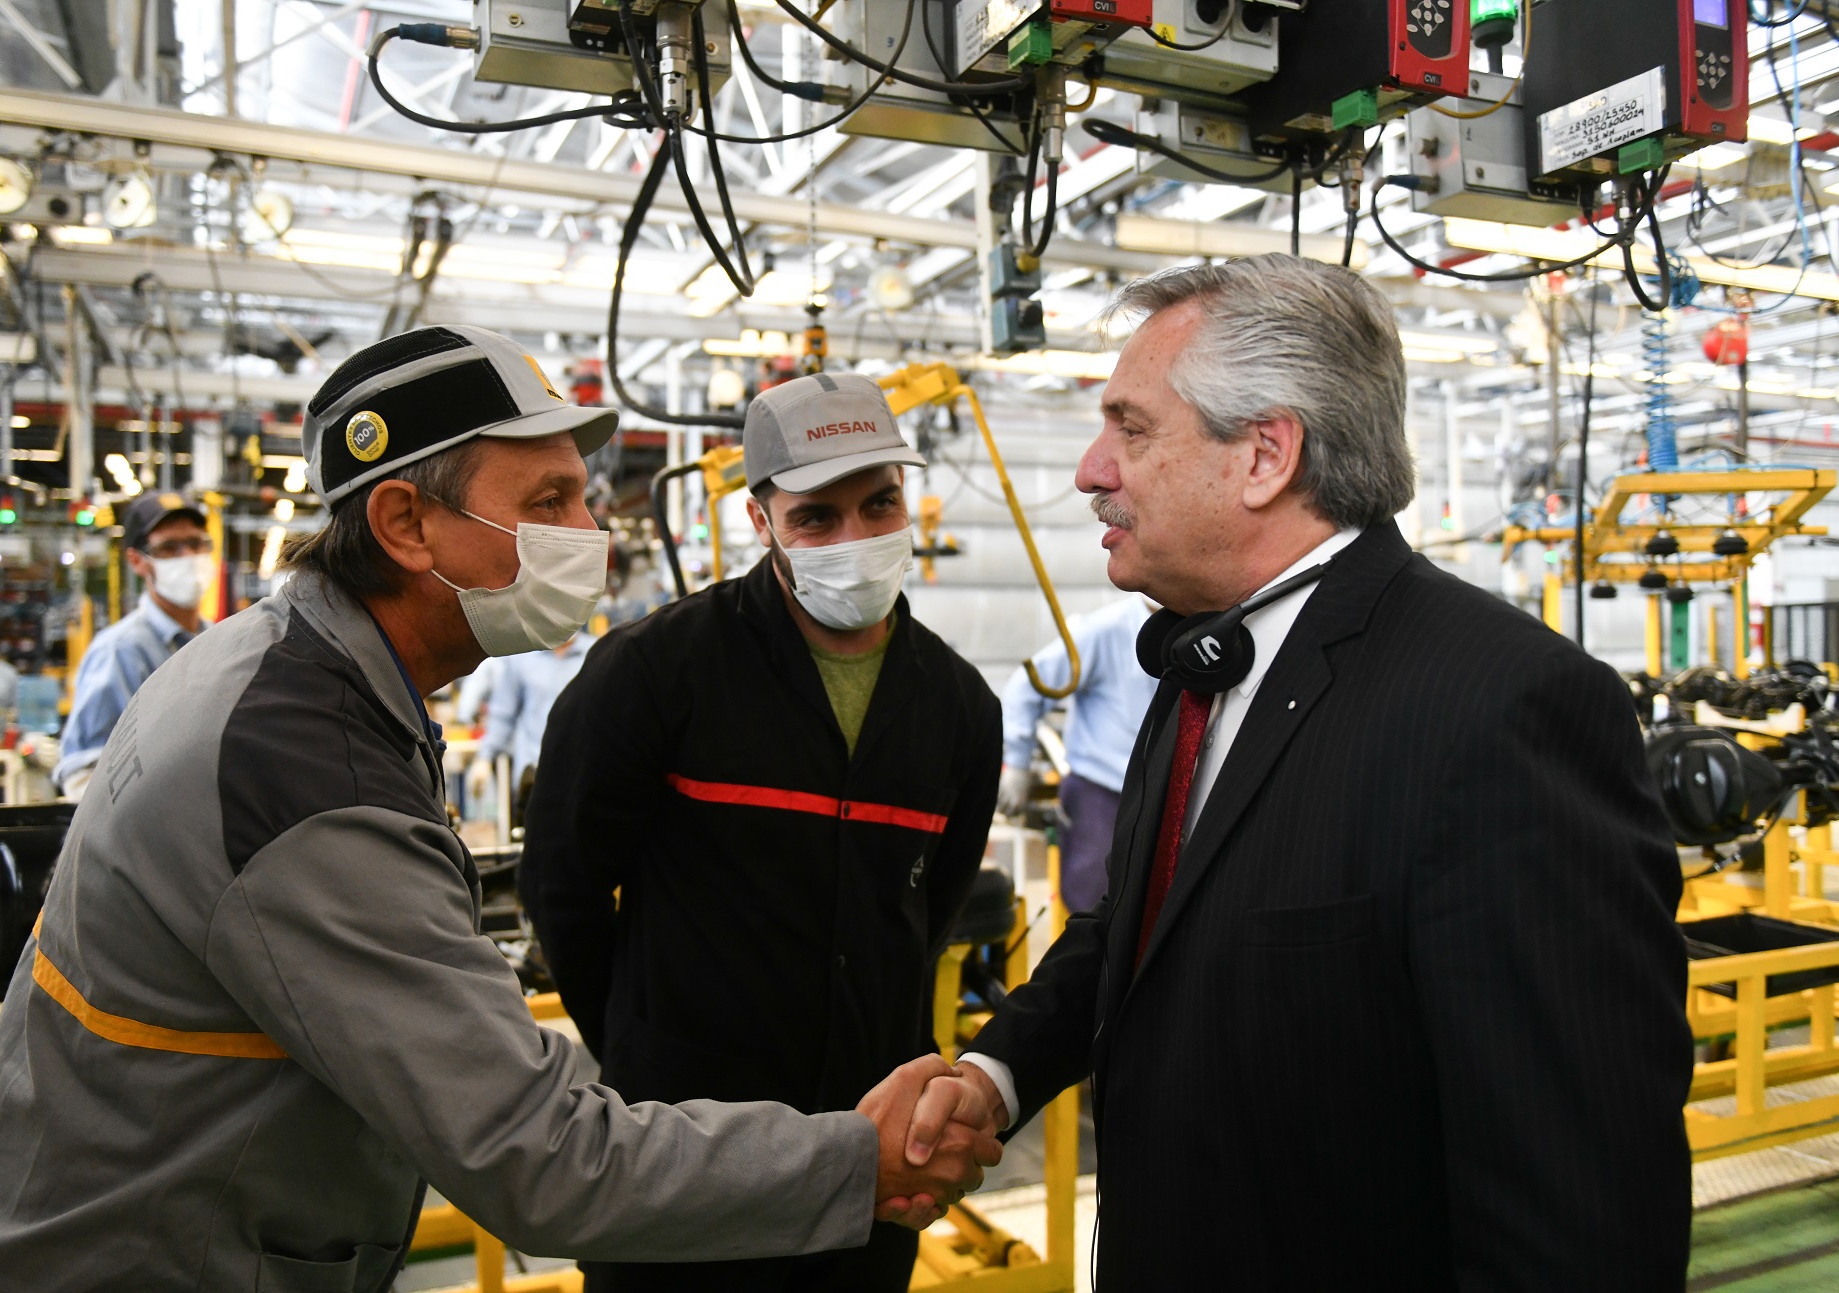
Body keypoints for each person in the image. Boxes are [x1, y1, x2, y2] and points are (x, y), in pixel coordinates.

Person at [0, 325, 998, 1291]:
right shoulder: (306, 764)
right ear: (405, 523)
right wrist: (856, 1161)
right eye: (547, 504)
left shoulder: (290, 677)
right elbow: (535, 1153)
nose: (590, 533)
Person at [898, 257, 1694, 1289]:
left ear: (1264, 456)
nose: (1092, 469)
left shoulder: (1502, 708)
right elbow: (1140, 929)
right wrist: (999, 1075)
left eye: (1130, 428)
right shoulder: (1201, 660)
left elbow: (1578, 1204)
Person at [522, 371, 1004, 1293]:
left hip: (870, 1163)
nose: (857, 538)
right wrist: (642, 1052)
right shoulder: (653, 674)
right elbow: (564, 888)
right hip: (681, 1160)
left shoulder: (958, 709)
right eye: (818, 518)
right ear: (762, 521)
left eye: (880, 504)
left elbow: (927, 908)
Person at [997, 595, 1155, 913]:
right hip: (1103, 797)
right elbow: (1025, 688)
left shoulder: (1200, 628)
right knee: (1094, 912)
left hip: (1166, 796)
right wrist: (1017, 762)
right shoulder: (1104, 630)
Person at [53, 491, 214, 799]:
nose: (188, 558)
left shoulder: (217, 641)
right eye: (169, 548)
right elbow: (83, 771)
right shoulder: (121, 651)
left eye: (196, 543)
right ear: (137, 561)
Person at [466, 632, 593, 808]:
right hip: (533, 776)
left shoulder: (595, 653)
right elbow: (504, 715)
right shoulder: (523, 657)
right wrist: (485, 758)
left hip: (584, 775)